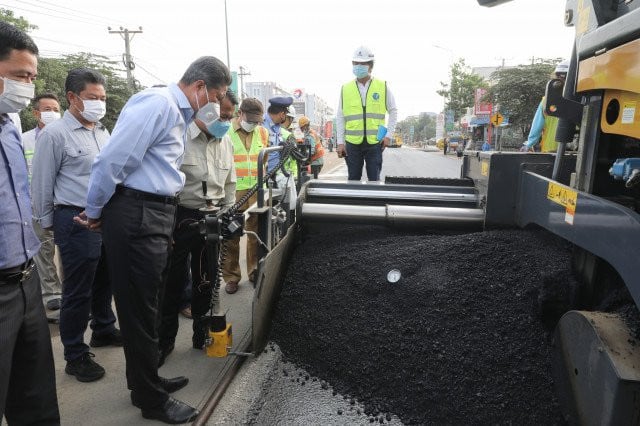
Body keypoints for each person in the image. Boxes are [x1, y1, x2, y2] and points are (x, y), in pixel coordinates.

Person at [78, 56, 231, 424]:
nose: (218, 104)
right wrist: (95, 211)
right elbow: (111, 161)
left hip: (157, 212)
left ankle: (145, 378)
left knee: (151, 300)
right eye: (218, 95)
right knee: (139, 308)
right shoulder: (157, 104)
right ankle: (150, 399)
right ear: (199, 88)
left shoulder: (177, 115)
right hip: (137, 212)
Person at [31, 68, 121, 383]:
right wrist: (46, 224)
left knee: (105, 280)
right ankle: (75, 354)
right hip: (74, 218)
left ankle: (104, 329)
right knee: (78, 290)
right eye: (92, 98)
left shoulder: (102, 132)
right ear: (72, 97)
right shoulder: (55, 135)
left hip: (105, 218)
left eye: (102, 98)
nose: (99, 103)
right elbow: (42, 182)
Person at [0, 20, 60, 424]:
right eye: (20, 75)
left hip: (25, 282)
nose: (28, 86)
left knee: (36, 402)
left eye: (32, 77)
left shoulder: (9, 128)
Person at [158, 90, 239, 366]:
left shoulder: (226, 141)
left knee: (206, 281)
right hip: (182, 216)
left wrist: (228, 215)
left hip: (214, 217)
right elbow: (166, 184)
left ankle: (201, 336)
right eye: (222, 115)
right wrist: (166, 227)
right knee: (172, 282)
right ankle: (164, 341)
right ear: (205, 110)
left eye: (229, 116)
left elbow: (230, 184)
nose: (226, 121)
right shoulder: (179, 137)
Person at [222, 97, 269, 294]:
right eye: (250, 121)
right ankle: (232, 277)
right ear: (239, 114)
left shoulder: (263, 132)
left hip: (256, 192)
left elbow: (264, 160)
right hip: (233, 193)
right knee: (231, 236)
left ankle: (254, 271)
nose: (254, 125)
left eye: (257, 121)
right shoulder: (225, 132)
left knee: (254, 236)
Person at [22, 93, 63, 317]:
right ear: (36, 112)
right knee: (44, 252)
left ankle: (72, 293)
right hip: (36, 206)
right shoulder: (24, 139)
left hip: (63, 204)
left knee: (68, 252)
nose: (52, 113)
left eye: (56, 108)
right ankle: (52, 294)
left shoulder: (66, 135)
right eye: (47, 109)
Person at [336, 45, 398, 181]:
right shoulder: (345, 89)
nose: (359, 66)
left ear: (370, 66)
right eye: (356, 63)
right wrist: (340, 142)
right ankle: (353, 202)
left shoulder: (382, 86)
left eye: (363, 63)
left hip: (375, 142)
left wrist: (388, 135)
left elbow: (393, 111)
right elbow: (340, 117)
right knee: (353, 179)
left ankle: (374, 202)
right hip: (352, 144)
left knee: (374, 180)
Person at [521, 60, 569, 152]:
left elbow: (537, 126)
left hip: (550, 151)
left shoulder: (546, 101)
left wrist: (529, 144)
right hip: (577, 151)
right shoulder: (584, 98)